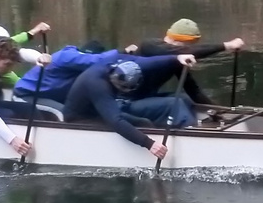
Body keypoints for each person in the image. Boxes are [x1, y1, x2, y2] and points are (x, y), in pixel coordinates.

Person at [64, 54, 197, 162]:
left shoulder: (119, 62)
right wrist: (149, 144)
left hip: (96, 108)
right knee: (143, 123)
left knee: (145, 120)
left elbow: (148, 61)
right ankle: (160, 147)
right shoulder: (98, 86)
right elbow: (116, 121)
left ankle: (182, 135)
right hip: (80, 118)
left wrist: (177, 58)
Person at [130, 18, 244, 109]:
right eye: (188, 44)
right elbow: (186, 52)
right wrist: (226, 46)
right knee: (176, 103)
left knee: (185, 99)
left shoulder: (177, 61)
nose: (190, 49)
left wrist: (220, 111)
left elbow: (194, 91)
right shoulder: (150, 46)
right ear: (176, 40)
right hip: (124, 101)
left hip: (143, 98)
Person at [13, 38, 122, 108]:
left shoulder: (81, 67)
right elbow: (97, 60)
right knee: (62, 113)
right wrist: (122, 53)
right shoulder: (67, 56)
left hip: (46, 95)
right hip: (26, 94)